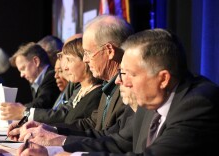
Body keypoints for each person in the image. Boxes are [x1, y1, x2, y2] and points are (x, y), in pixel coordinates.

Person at [19, 28, 219, 156]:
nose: (121, 80)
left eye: (129, 73)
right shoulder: (152, 101)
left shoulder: (197, 103)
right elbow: (117, 142)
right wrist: (54, 148)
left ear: (163, 78)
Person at [7, 15, 135, 142]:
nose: (86, 60)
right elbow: (90, 124)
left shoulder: (129, 88)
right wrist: (48, 129)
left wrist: (60, 140)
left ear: (109, 51)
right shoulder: (108, 87)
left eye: (88, 53)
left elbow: (117, 142)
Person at [8, 38, 103, 140]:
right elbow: (67, 118)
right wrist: (37, 127)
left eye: (69, 60)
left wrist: (39, 126)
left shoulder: (96, 93)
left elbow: (75, 124)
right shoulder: (79, 89)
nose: (65, 68)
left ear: (85, 60)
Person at [0, 42, 60, 120]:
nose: (21, 75)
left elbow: (40, 106)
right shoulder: (36, 81)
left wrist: (12, 109)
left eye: (23, 68)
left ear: (36, 61)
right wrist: (9, 108)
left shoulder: (52, 76)